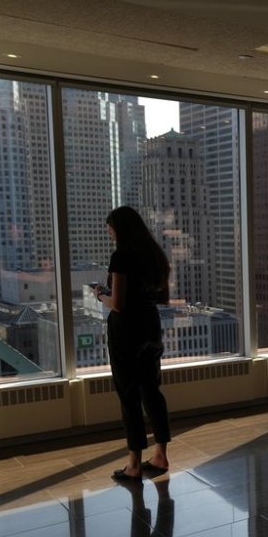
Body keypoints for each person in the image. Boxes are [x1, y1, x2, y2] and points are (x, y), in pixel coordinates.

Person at [96, 206, 172, 481]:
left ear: (120, 229)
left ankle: (134, 465)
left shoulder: (121, 257)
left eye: (110, 228)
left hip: (126, 331)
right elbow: (163, 298)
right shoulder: (155, 256)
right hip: (150, 327)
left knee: (129, 396)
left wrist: (100, 296)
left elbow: (118, 304)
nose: (109, 233)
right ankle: (161, 456)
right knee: (152, 391)